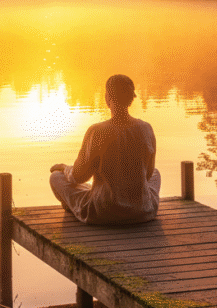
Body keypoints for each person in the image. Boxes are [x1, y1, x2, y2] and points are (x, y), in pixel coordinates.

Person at [49, 74, 161, 225]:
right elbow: (147, 175)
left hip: (104, 212)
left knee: (56, 177)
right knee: (156, 173)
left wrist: (64, 168)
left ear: (108, 98)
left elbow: (78, 177)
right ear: (131, 98)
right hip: (142, 211)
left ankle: (75, 207)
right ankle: (132, 205)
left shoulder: (97, 131)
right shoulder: (146, 128)